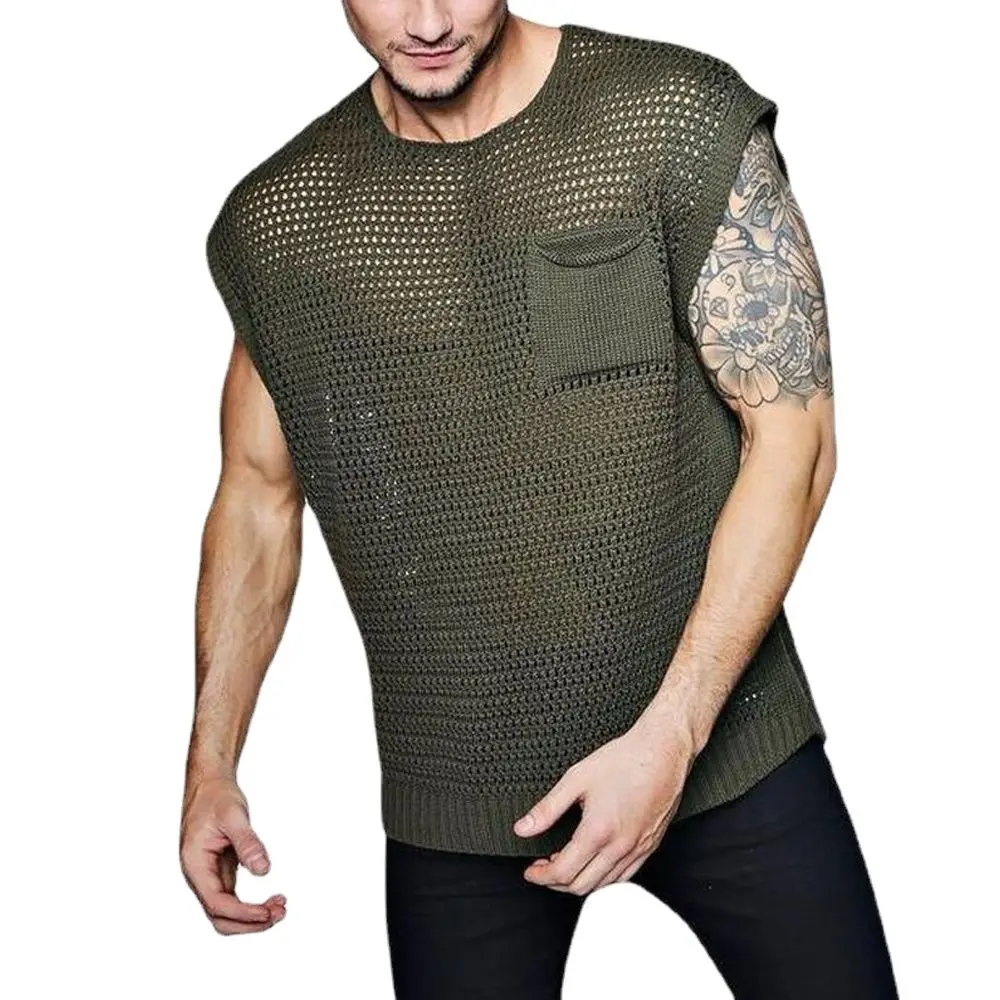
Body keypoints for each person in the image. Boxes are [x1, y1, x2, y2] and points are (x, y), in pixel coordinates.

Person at [180, 4, 899, 997]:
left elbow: (795, 440)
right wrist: (210, 764)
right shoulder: (282, 224)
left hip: (729, 748)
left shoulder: (671, 116)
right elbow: (258, 496)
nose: (427, 20)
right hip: (460, 797)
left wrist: (673, 735)